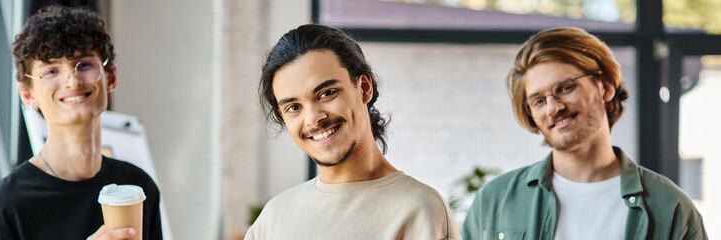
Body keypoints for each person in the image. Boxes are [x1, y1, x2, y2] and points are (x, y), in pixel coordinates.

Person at [461, 27, 707, 239]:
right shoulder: (493, 202)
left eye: (566, 88)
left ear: (605, 87)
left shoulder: (671, 209)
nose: (553, 107)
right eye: (538, 101)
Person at [246, 24, 461, 240]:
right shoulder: (272, 220)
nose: (313, 119)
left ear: (364, 88)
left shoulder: (420, 210)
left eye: (326, 93)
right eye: (293, 107)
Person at [0, 5, 162, 240]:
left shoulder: (137, 187)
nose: (72, 81)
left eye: (84, 64)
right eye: (51, 71)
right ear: (27, 94)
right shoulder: (3, 209)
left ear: (111, 76)